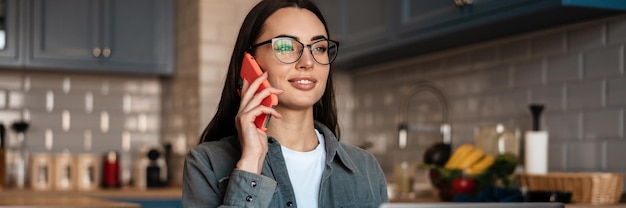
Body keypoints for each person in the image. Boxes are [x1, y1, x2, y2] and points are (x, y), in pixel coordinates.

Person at [182, 0, 388, 207]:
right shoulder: (207, 163)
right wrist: (251, 162)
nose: (308, 62)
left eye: (319, 48)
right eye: (285, 46)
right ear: (249, 62)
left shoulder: (366, 167)